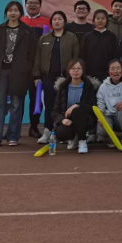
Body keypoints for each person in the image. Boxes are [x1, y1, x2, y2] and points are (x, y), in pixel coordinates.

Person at [0, 1, 37, 148]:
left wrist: (28, 70)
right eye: (10, 10)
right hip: (0, 72)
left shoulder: (27, 31)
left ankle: (13, 136)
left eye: (16, 10)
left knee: (16, 105)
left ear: (20, 13)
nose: (13, 13)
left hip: (19, 73)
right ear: (6, 13)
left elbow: (32, 53)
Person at [33, 11, 80, 144]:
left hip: (66, 77)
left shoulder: (71, 37)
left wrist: (74, 74)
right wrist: (36, 75)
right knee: (49, 105)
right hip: (48, 76)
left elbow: (76, 56)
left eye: (60, 19)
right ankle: (48, 131)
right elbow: (37, 57)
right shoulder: (44, 38)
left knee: (65, 105)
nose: (57, 21)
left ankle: (63, 132)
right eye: (54, 19)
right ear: (51, 22)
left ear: (64, 22)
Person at [52, 58, 97, 154]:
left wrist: (77, 105)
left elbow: (93, 108)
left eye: (78, 68)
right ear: (69, 71)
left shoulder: (89, 86)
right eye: (73, 68)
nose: (75, 71)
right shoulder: (63, 87)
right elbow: (55, 111)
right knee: (61, 134)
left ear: (83, 70)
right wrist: (62, 120)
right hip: (69, 120)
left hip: (86, 119)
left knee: (77, 110)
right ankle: (74, 137)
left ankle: (82, 141)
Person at [21, 0, 51, 138]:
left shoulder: (47, 22)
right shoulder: (19, 21)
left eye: (35, 3)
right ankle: (14, 129)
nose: (32, 5)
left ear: (40, 6)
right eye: (30, 3)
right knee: (18, 99)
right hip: (21, 67)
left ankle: (33, 127)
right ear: (25, 5)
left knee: (36, 98)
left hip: (38, 67)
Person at [96, 60, 122, 152]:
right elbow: (101, 105)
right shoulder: (103, 87)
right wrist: (100, 116)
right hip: (109, 116)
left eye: (118, 68)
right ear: (109, 72)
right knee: (101, 131)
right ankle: (110, 137)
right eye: (112, 69)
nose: (115, 71)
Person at [79, 9, 119, 84]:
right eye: (98, 18)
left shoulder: (112, 36)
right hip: (90, 75)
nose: (100, 21)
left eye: (103, 18)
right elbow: (82, 56)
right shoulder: (88, 37)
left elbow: (116, 55)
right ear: (93, 20)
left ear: (107, 21)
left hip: (108, 74)